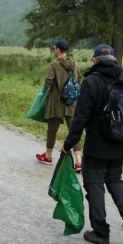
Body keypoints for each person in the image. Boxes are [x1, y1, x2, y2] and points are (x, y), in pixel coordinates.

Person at [61, 44, 123, 244]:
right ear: (114, 58)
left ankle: (101, 231)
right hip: (120, 142)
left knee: (94, 185)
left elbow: (81, 117)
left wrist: (69, 143)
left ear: (95, 60)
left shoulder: (92, 82)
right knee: (115, 180)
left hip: (97, 145)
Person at [36, 39, 83, 171]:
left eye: (55, 47)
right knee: (74, 131)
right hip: (71, 103)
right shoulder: (75, 65)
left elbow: (48, 82)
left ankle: (48, 156)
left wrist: (43, 95)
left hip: (56, 103)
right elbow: (79, 81)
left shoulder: (54, 64)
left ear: (57, 50)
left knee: (52, 130)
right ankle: (79, 162)